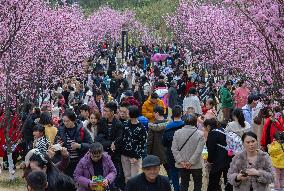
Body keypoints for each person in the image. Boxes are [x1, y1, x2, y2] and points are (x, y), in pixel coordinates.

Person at [171, 114, 205, 191]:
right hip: (196, 164)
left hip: (182, 165)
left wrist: (181, 161)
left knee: (184, 183)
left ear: (184, 122)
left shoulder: (177, 133)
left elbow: (174, 149)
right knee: (197, 183)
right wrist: (191, 162)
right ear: (195, 122)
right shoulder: (200, 134)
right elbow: (199, 151)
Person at [96, 101, 125, 190]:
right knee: (99, 175)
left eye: (106, 111)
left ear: (112, 112)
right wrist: (111, 143)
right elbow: (99, 138)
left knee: (112, 176)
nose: (104, 112)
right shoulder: (102, 121)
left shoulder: (119, 124)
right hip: (102, 153)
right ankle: (99, 189)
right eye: (104, 110)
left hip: (114, 155)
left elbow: (119, 141)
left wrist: (113, 142)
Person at [56, 111, 93, 177]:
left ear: (73, 120)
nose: (65, 123)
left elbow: (91, 144)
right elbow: (56, 143)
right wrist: (58, 145)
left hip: (80, 161)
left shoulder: (82, 130)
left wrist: (80, 146)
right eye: (64, 121)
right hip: (66, 162)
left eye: (68, 121)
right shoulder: (60, 130)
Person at [119, 106, 147, 183]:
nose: (126, 113)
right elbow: (121, 137)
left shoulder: (141, 128)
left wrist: (137, 156)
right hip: (124, 155)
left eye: (127, 112)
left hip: (135, 157)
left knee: (135, 177)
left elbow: (142, 143)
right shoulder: (125, 124)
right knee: (127, 176)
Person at [204, 118, 232, 191]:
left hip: (218, 161)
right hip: (229, 159)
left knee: (213, 182)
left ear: (208, 126)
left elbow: (211, 149)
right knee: (228, 181)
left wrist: (209, 161)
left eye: (205, 127)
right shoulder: (222, 130)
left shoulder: (212, 133)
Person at [163, 105, 185, 191]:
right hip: (184, 153)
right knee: (184, 174)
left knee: (174, 174)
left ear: (172, 114)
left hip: (171, 154)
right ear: (181, 114)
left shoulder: (168, 127)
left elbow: (164, 142)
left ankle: (176, 189)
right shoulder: (185, 125)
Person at [147, 106, 169, 177]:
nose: (153, 114)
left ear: (157, 113)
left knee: (154, 169)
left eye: (154, 113)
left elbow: (150, 140)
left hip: (155, 151)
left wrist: (148, 152)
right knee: (169, 168)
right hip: (167, 150)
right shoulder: (169, 124)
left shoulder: (152, 126)